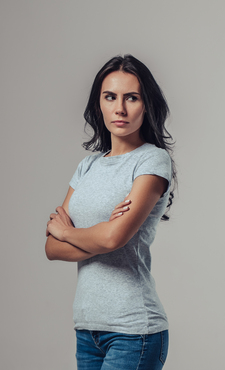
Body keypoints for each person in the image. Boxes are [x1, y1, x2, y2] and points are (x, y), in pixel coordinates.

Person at [45, 54, 175, 370]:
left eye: (131, 97)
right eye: (110, 97)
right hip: (87, 328)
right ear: (98, 104)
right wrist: (95, 235)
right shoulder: (87, 166)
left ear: (146, 105)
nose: (120, 108)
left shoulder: (152, 161)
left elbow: (114, 237)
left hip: (134, 329)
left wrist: (67, 232)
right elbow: (51, 247)